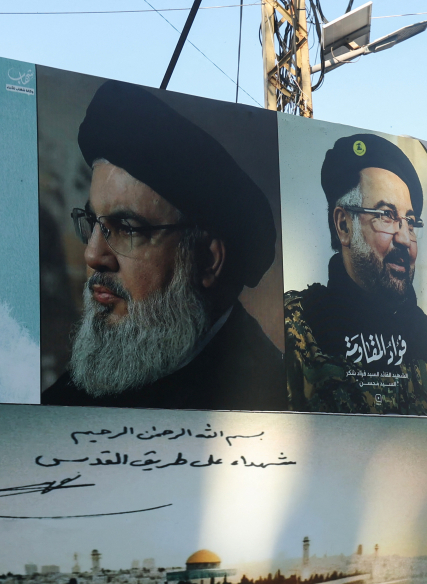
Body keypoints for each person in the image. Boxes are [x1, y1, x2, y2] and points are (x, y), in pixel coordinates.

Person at [42, 80, 284, 411]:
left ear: (208, 260)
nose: (93, 255)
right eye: (93, 222)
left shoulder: (275, 397)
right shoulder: (62, 401)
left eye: (126, 228)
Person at [284, 133, 427, 415]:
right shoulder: (295, 329)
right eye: (386, 216)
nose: (405, 238)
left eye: (409, 221)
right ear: (344, 225)